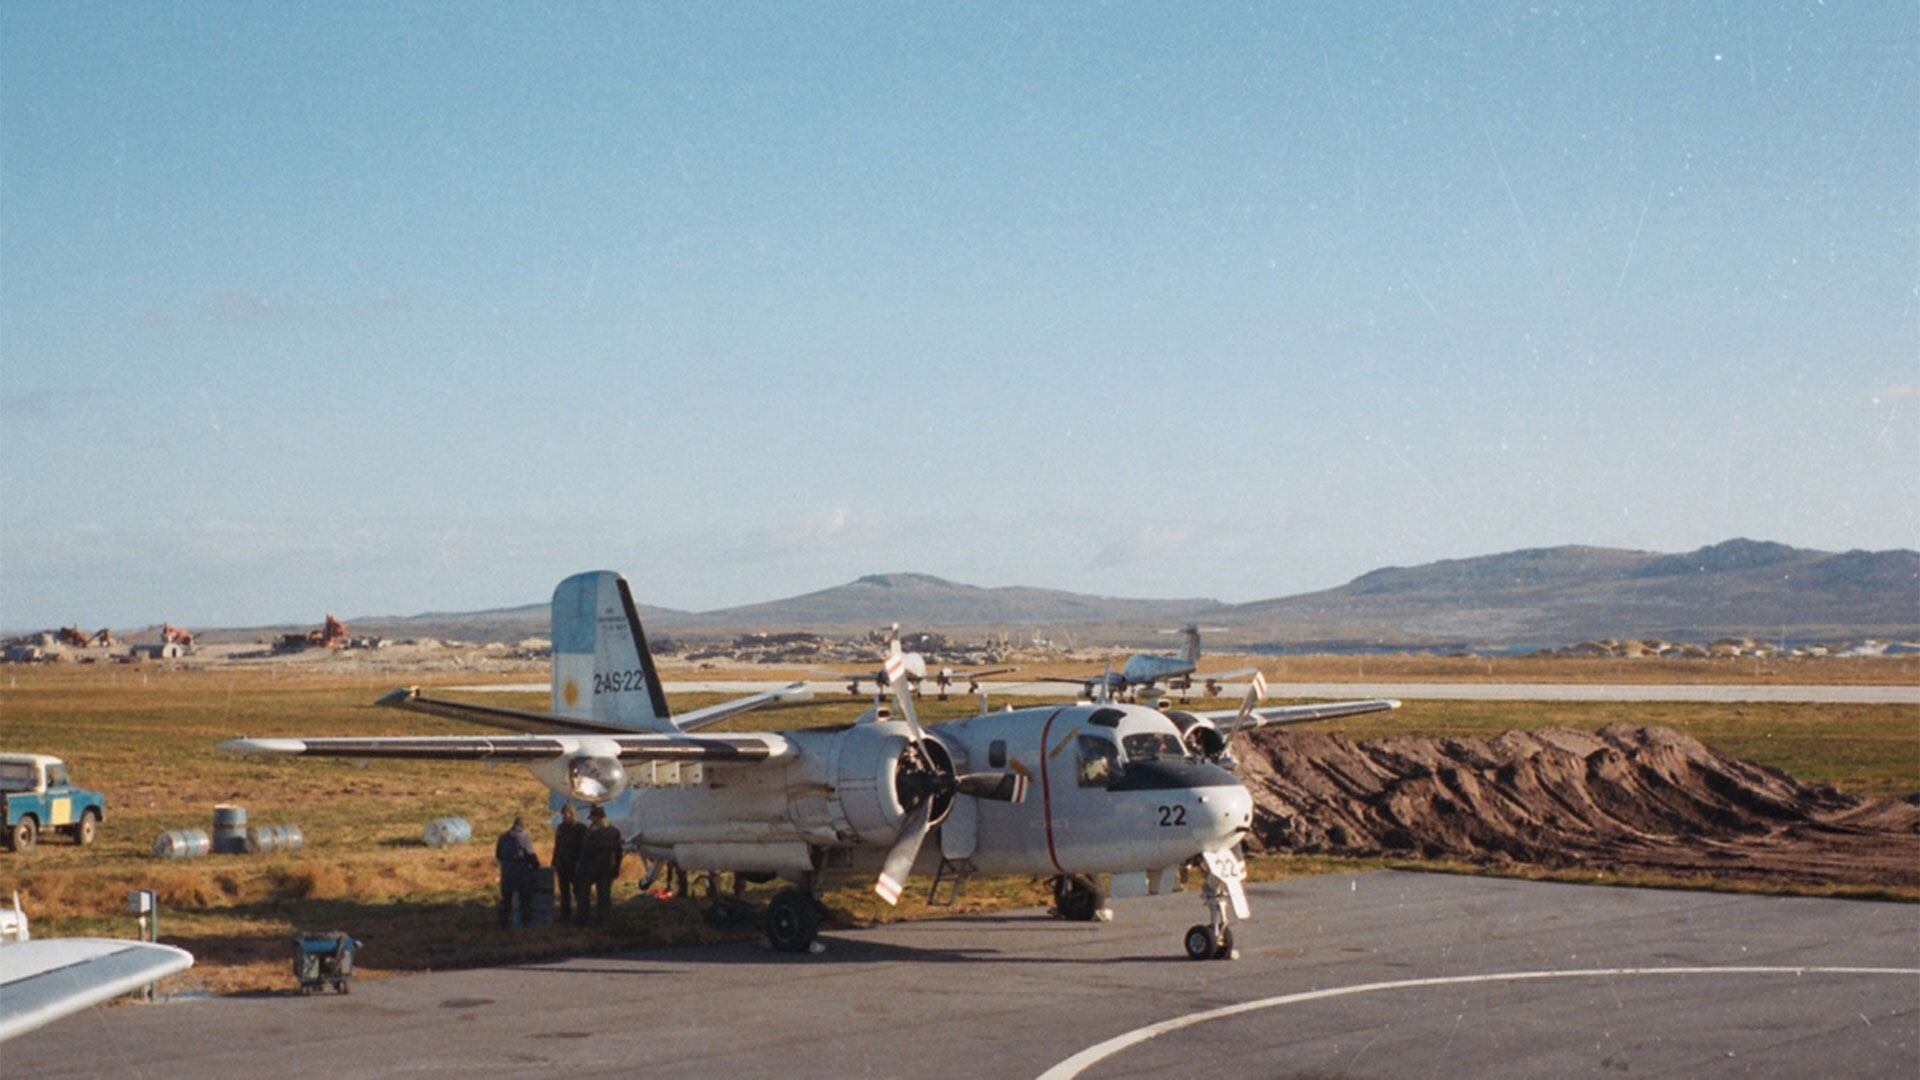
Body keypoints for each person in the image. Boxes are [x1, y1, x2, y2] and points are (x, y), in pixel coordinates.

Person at [576, 805, 625, 926]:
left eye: (593, 818)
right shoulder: (614, 832)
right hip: (606, 868)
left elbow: (585, 851)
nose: (591, 821)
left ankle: (585, 918)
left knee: (584, 892)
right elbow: (618, 852)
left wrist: (580, 866)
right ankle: (603, 920)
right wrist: (616, 868)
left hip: (592, 868)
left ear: (597, 817)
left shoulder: (592, 832)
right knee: (604, 895)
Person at [494, 815, 539, 929]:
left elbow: (498, 855)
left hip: (506, 872)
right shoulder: (524, 836)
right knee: (525, 899)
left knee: (506, 899)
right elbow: (530, 855)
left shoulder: (503, 837)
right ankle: (525, 923)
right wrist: (536, 866)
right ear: (523, 826)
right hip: (521, 872)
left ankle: (503, 924)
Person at [551, 803, 587, 925]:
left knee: (578, 892)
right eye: (563, 814)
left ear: (572, 814)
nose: (564, 816)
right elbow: (557, 846)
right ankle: (565, 916)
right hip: (563, 865)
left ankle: (582, 916)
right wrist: (554, 862)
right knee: (564, 892)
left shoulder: (580, 829)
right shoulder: (561, 828)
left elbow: (583, 849)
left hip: (575, 865)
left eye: (566, 813)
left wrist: (580, 864)